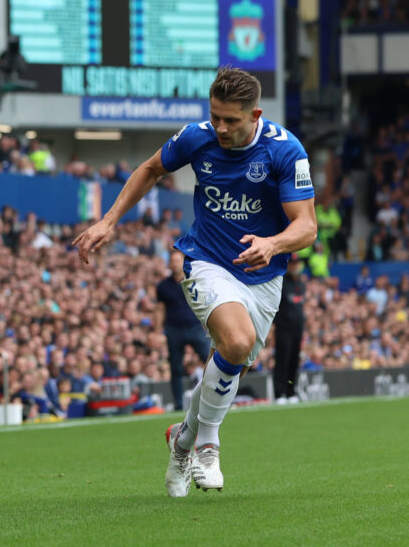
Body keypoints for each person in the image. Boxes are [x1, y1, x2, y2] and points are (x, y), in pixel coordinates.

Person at [72, 67, 317, 497]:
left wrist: (274, 244)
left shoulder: (285, 150)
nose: (220, 127)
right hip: (207, 260)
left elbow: (307, 226)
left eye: (231, 120)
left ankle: (182, 439)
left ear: (255, 115)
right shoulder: (196, 137)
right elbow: (151, 168)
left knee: (231, 362)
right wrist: (109, 220)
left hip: (262, 274)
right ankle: (208, 445)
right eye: (215, 116)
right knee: (236, 343)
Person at [156, 250, 211, 411]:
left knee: (211, 361)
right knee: (176, 368)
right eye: (172, 261)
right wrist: (157, 331)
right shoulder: (163, 286)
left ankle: (218, 397)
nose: (174, 264)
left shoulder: (194, 281)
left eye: (177, 261)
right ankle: (179, 404)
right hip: (174, 330)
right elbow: (160, 310)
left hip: (195, 328)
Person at [272, 253, 306, 403]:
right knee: (282, 360)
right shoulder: (282, 283)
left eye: (296, 263)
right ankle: (279, 393)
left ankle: (291, 392)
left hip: (297, 329)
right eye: (292, 263)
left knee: (294, 360)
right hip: (283, 328)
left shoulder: (300, 284)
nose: (295, 266)